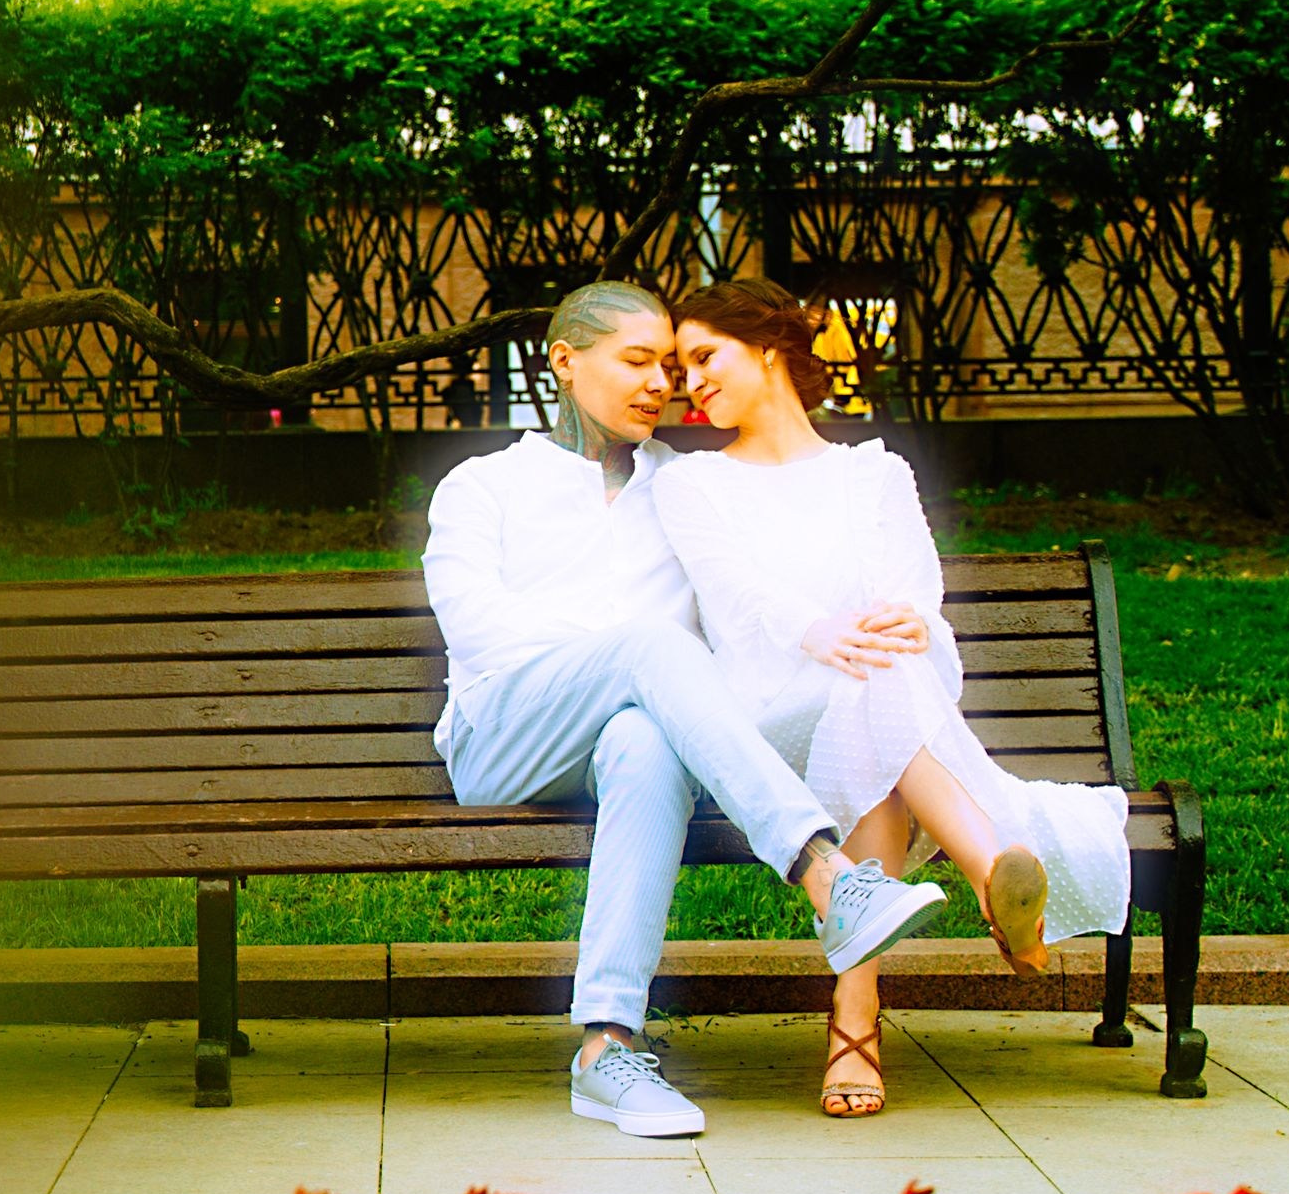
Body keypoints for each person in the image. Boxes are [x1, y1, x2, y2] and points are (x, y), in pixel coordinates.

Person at [422, 281, 946, 1139]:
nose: (659, 384)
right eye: (636, 361)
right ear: (565, 360)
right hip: (504, 737)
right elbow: (482, 631)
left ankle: (605, 1048)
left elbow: (750, 603)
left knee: (644, 737)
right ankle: (825, 876)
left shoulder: (682, 485)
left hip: (633, 735)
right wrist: (625, 649)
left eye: (668, 366)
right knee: (653, 648)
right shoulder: (485, 485)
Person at [654, 279, 1131, 1119]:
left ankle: (857, 1020)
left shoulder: (874, 473)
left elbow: (915, 597)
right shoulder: (693, 484)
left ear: (767, 348)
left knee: (873, 693)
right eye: (679, 367)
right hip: (765, 713)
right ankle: (994, 881)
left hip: (873, 696)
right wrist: (821, 633)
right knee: (870, 688)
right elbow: (733, 597)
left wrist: (883, 631)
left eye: (703, 357)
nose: (690, 382)